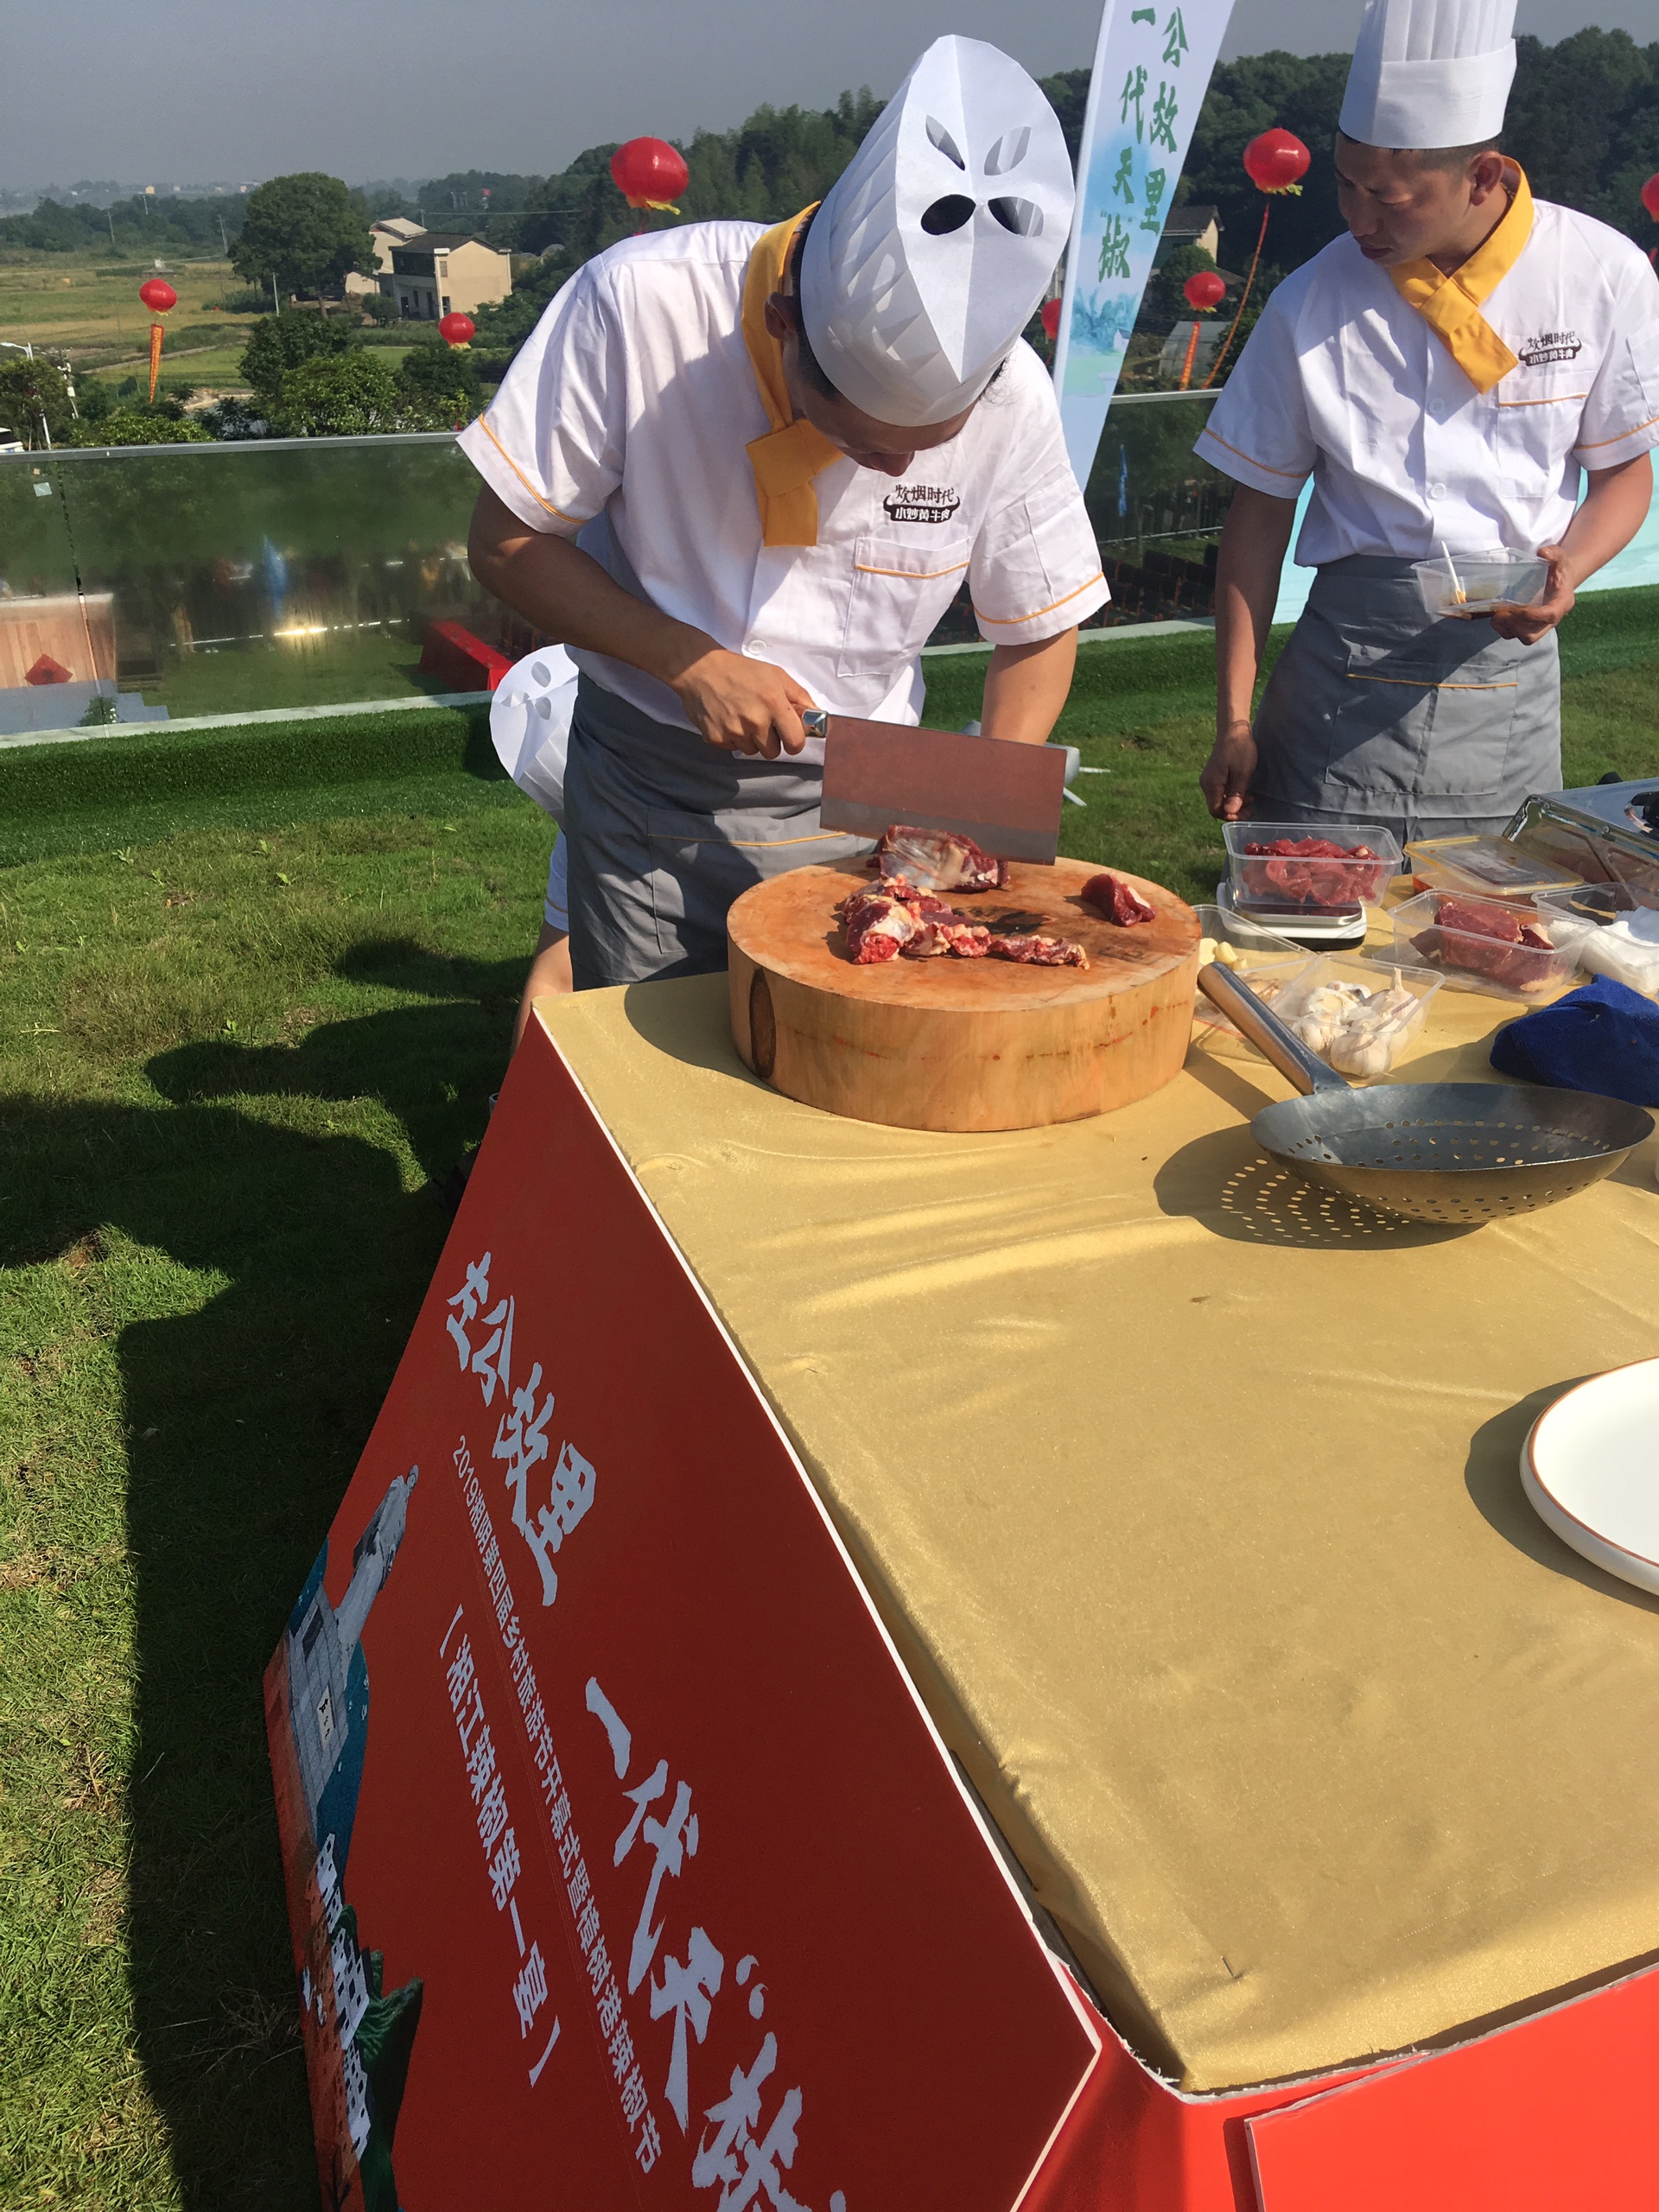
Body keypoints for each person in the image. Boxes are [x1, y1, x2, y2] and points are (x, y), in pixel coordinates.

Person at [461, 35, 1109, 989]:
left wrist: (980, 808)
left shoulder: (1015, 390)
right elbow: (506, 542)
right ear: (783, 323)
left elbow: (1042, 626)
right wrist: (689, 661)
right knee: (660, 1080)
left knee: (853, 1076)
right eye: (863, 436)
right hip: (654, 778)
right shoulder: (642, 304)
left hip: (875, 793)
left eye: (928, 442)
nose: (896, 464)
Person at [1194, 0, 1658, 840]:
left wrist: (1569, 569)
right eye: (1345, 181)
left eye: (1389, 196)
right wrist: (1233, 718)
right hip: (1340, 681)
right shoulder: (1313, 298)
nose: (1358, 217)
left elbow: (1624, 471)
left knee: (1494, 935)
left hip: (1506, 679)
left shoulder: (1601, 275)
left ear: (1482, 176)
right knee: (1308, 946)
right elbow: (1258, 513)